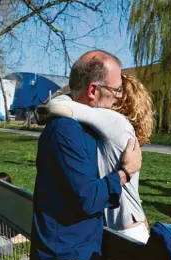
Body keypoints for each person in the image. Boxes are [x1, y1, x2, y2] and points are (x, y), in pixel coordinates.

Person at [30, 50, 142, 260]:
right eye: (116, 91)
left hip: (69, 256)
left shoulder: (76, 126)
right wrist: (125, 173)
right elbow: (89, 198)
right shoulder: (67, 132)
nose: (119, 98)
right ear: (93, 90)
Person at [46, 74, 154, 243]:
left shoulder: (113, 120)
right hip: (131, 225)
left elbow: (55, 105)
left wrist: (74, 90)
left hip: (124, 230)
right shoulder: (121, 127)